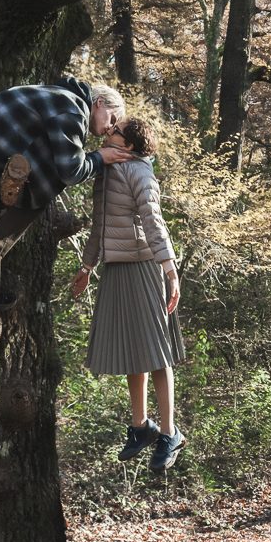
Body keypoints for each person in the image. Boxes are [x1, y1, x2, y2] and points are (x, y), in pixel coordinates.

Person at [70, 116, 186, 473]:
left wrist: (170, 270)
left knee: (156, 351)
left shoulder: (140, 172)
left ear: (130, 145)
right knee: (132, 352)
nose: (108, 132)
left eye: (115, 131)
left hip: (145, 266)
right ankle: (141, 426)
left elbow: (154, 220)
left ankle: (169, 433)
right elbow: (98, 225)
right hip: (115, 268)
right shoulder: (105, 171)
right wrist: (87, 266)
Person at [0, 77, 132, 302]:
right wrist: (100, 158)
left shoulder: (55, 94)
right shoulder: (74, 110)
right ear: (99, 102)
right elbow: (71, 172)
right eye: (112, 120)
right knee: (46, 186)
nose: (109, 129)